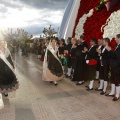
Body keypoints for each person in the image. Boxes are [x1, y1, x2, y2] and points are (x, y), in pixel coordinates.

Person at [0, 39, 18, 109]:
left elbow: (10, 59)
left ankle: (5, 91)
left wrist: (13, 67)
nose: (3, 44)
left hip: (7, 68)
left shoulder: (7, 51)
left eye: (4, 43)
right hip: (0, 68)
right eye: (1, 43)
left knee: (6, 80)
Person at [106, 34, 120, 101]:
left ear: (119, 38)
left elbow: (116, 57)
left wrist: (110, 50)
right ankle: (112, 92)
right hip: (114, 66)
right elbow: (113, 56)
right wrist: (110, 51)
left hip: (117, 67)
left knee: (117, 81)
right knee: (112, 79)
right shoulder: (117, 46)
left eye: (116, 38)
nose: (115, 39)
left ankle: (117, 95)